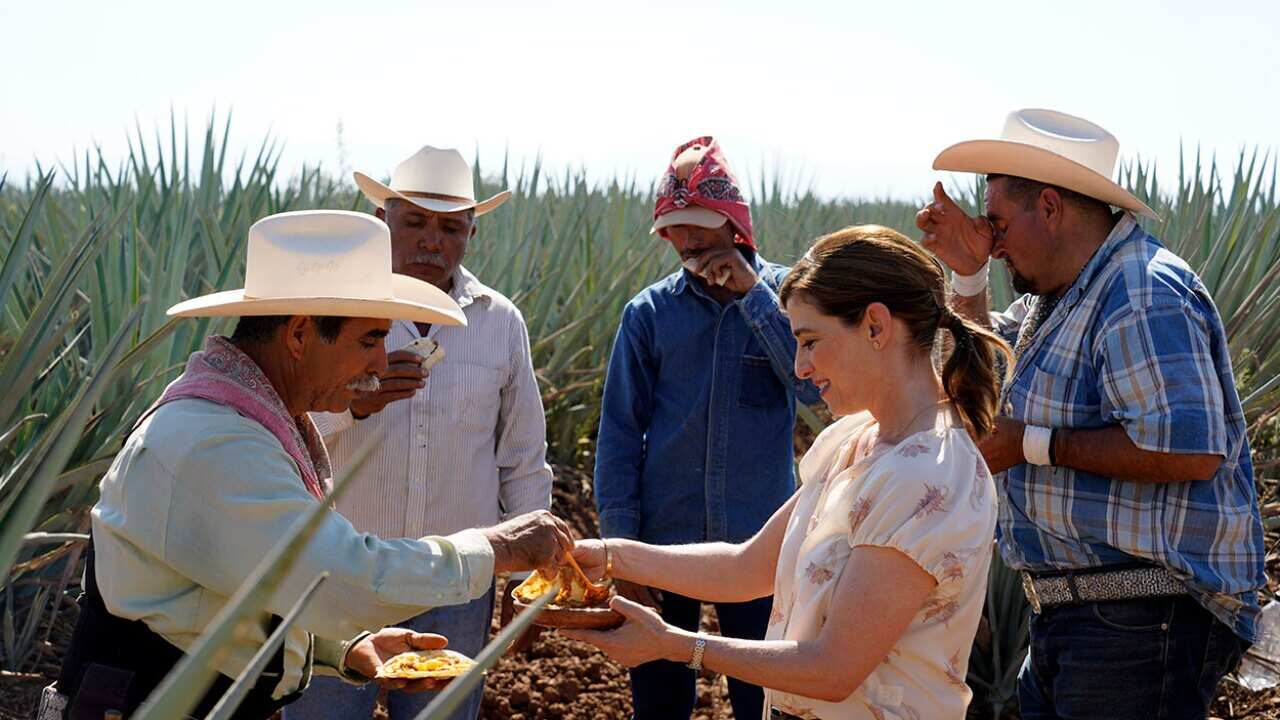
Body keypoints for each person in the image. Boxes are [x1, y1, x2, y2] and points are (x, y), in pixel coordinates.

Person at [40, 210, 573, 720]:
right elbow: (342, 579)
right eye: (370, 339)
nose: (381, 362)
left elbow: (232, 593)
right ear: (299, 334)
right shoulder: (215, 443)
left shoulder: (239, 419)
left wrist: (344, 648)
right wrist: (497, 547)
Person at [569, 225, 1009, 719]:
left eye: (810, 341)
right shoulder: (855, 440)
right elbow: (746, 567)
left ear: (875, 326)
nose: (799, 367)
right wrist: (609, 556)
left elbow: (832, 669)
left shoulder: (927, 475)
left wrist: (675, 644)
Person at [916, 108, 1266, 719]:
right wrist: (968, 275)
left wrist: (1030, 444)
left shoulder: (1140, 291)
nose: (992, 240)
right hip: (1086, 617)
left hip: (1142, 619)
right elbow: (977, 388)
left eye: (998, 224)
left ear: (1050, 207)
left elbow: (1190, 450)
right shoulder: (1055, 300)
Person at [288, 146, 554, 720]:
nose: (431, 241)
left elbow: (522, 458)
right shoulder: (335, 312)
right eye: (414, 222)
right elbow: (283, 432)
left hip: (457, 582)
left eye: (450, 228)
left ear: (471, 233)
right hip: (343, 575)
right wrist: (355, 407)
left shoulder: (499, 322)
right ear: (382, 222)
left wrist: (525, 573)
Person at [593, 136, 822, 719]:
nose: (688, 240)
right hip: (664, 544)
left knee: (764, 701)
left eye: (699, 223)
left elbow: (814, 391)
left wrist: (754, 300)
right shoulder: (649, 315)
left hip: (760, 545)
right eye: (675, 228)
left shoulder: (790, 300)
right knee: (660, 703)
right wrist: (622, 552)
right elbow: (620, 436)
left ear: (732, 219)